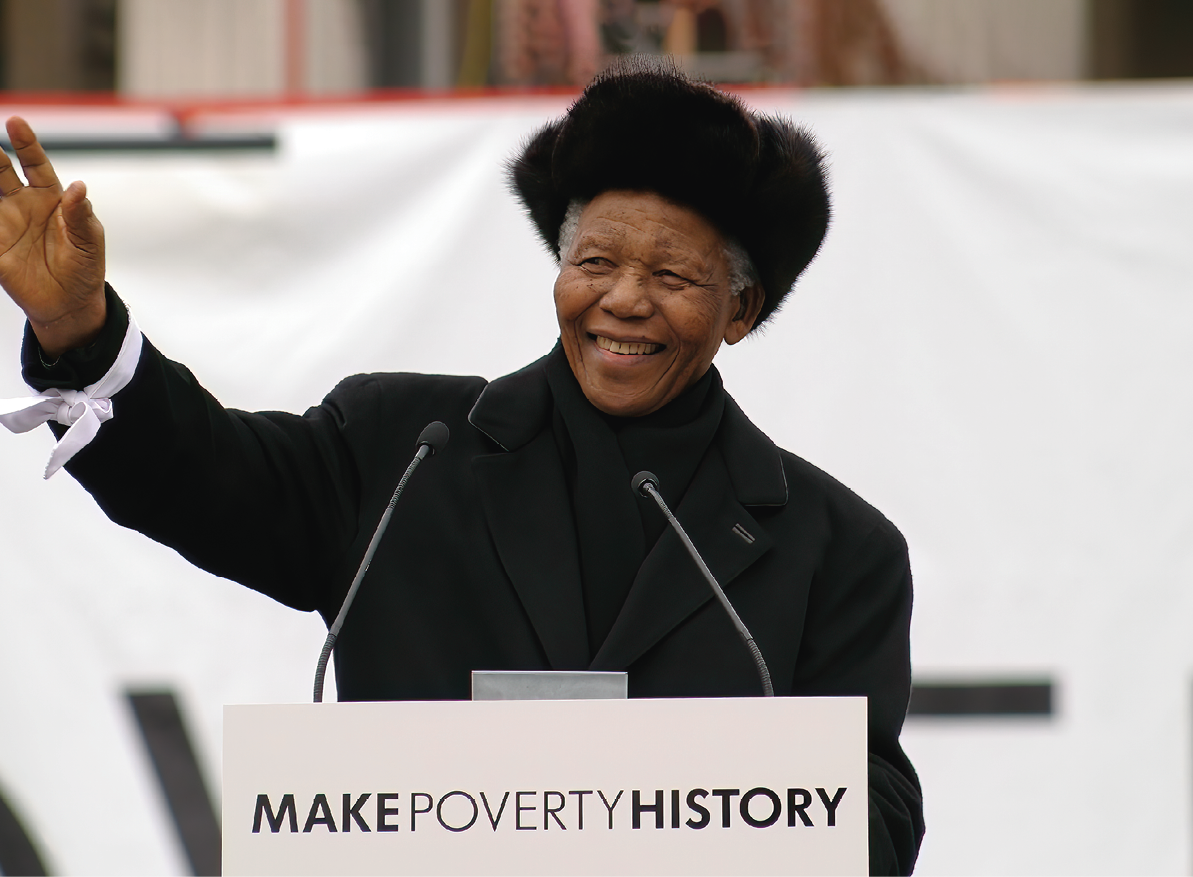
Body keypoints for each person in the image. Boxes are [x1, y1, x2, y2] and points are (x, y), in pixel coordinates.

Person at [0, 63, 923, 875]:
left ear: (741, 307)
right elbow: (202, 474)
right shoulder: (403, 447)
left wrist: (678, 806)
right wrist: (78, 331)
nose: (623, 300)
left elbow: (873, 824)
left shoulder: (838, 550)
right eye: (594, 260)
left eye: (673, 277)